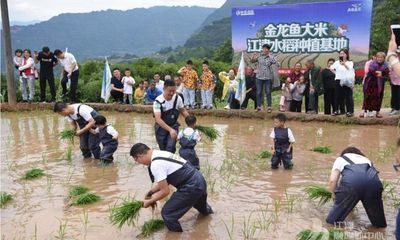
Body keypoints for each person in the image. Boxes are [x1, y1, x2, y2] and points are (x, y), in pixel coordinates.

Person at [130, 143, 213, 232]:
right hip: (199, 180)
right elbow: (168, 178)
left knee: (168, 214)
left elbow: (165, 191)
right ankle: (213, 220)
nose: (140, 163)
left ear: (140, 156)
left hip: (191, 186)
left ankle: (175, 235)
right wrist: (151, 192)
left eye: (137, 160)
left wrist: (150, 201)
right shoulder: (160, 153)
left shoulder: (156, 164)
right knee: (203, 209)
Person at [326, 147, 387, 228]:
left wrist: (334, 195)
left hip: (351, 184)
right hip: (374, 185)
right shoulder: (367, 160)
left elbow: (332, 181)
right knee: (379, 224)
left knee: (331, 223)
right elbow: (368, 180)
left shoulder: (341, 159)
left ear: (344, 153)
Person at [153, 79, 189, 153]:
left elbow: (183, 110)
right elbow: (158, 119)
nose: (172, 93)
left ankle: (171, 161)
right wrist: (170, 130)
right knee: (163, 149)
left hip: (173, 125)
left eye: (174, 91)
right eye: (170, 91)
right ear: (164, 89)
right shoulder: (158, 101)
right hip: (161, 127)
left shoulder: (177, 98)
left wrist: (191, 121)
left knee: (170, 147)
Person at [251, 44, 278, 112]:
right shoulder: (259, 57)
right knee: (259, 92)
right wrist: (253, 56)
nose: (264, 50)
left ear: (268, 50)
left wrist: (273, 64)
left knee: (268, 92)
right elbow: (252, 61)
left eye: (266, 49)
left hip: (268, 78)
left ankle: (269, 107)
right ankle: (259, 106)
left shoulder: (271, 57)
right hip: (259, 77)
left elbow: (277, 64)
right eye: (263, 48)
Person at [361, 52, 389, 118]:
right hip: (370, 83)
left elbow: (387, 72)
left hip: (379, 84)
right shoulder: (372, 63)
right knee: (368, 96)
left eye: (381, 57)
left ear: (384, 58)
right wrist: (379, 73)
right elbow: (370, 70)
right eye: (378, 57)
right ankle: (365, 111)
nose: (379, 59)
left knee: (378, 97)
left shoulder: (385, 65)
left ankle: (377, 112)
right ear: (376, 57)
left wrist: (382, 73)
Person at [330, 48, 355, 117]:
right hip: (338, 79)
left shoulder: (350, 62)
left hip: (347, 80)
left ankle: (349, 111)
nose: (341, 55)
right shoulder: (337, 62)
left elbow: (350, 69)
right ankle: (336, 110)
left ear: (346, 55)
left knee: (348, 96)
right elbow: (331, 68)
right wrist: (336, 73)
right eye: (340, 54)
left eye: (343, 53)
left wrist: (344, 64)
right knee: (337, 95)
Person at [387, 30, 400, 115]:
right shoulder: (394, 57)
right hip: (393, 79)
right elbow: (389, 66)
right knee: (394, 94)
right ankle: (394, 107)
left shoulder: (394, 57)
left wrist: (391, 54)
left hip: (399, 79)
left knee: (398, 94)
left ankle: (397, 108)